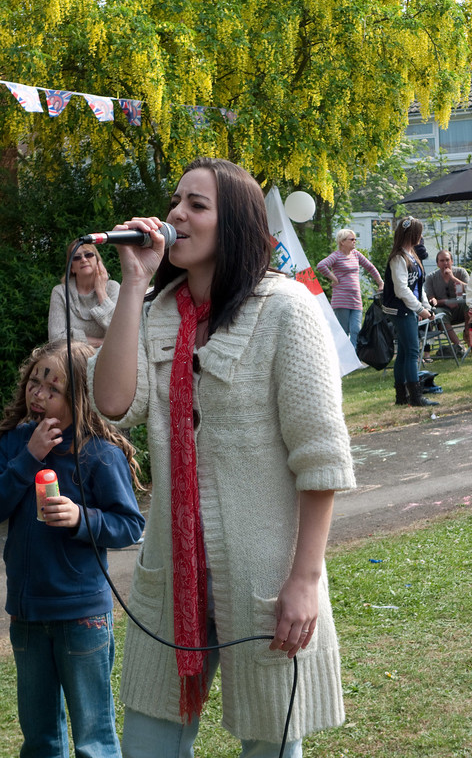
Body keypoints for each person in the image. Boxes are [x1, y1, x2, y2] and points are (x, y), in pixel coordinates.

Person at [88, 157, 356, 758]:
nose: (176, 214)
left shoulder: (286, 309)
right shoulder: (158, 311)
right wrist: (133, 284)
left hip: (266, 575)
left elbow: (321, 459)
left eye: (196, 205)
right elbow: (112, 404)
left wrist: (305, 580)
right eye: (176, 200)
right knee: (148, 745)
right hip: (171, 575)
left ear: (232, 222)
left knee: (270, 740)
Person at [0, 339, 145, 758]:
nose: (39, 393)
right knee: (41, 739)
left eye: (54, 388)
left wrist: (83, 518)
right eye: (35, 381)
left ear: (81, 396)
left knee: (94, 740)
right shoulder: (13, 444)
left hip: (81, 618)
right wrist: (29, 458)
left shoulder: (98, 454)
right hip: (27, 615)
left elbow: (129, 525)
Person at [382, 216, 438, 407]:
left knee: (405, 352)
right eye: (419, 232)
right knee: (413, 351)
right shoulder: (399, 257)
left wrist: (426, 307)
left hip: (408, 307)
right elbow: (401, 290)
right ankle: (415, 397)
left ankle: (401, 397)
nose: (421, 236)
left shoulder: (412, 255)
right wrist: (420, 309)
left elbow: (417, 286)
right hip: (399, 309)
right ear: (412, 234)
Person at [316, 229, 384, 349]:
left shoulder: (356, 255)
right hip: (341, 298)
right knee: (343, 330)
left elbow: (370, 267)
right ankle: (343, 359)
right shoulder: (336, 256)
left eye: (355, 239)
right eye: (351, 239)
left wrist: (380, 282)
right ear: (342, 242)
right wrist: (334, 279)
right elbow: (321, 265)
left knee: (356, 329)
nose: (354, 242)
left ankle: (354, 358)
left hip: (356, 298)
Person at [48, 240, 120, 347]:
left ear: (98, 261)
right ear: (71, 268)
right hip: (73, 360)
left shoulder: (113, 287)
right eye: (77, 257)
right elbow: (55, 338)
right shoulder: (60, 292)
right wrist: (100, 342)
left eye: (88, 254)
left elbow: (119, 330)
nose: (83, 259)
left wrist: (101, 291)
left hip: (106, 358)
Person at [424, 249, 469, 355]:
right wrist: (445, 302)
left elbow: (470, 290)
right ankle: (460, 347)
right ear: (437, 263)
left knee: (469, 306)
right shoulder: (431, 278)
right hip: (444, 310)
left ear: (452, 261)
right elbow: (431, 300)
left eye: (447, 260)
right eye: (442, 260)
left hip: (461, 309)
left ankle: (467, 334)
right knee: (438, 314)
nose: (445, 263)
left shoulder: (460, 272)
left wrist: (453, 278)